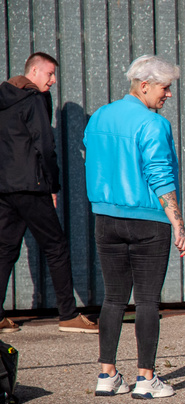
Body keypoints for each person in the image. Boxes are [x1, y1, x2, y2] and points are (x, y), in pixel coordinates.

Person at [83, 55, 185, 399]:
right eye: (165, 87)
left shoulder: (99, 117)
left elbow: (92, 155)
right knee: (146, 300)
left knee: (113, 298)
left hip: (106, 219)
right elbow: (160, 174)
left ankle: (106, 374)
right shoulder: (153, 123)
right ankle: (145, 379)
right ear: (144, 86)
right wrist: (178, 223)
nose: (168, 95)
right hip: (148, 221)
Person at [0, 52, 98, 334]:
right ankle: (68, 315)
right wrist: (52, 185)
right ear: (33, 71)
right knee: (56, 247)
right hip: (32, 186)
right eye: (49, 74)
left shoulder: (4, 100)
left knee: (5, 249)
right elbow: (45, 145)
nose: (53, 80)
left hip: (5, 188)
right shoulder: (33, 99)